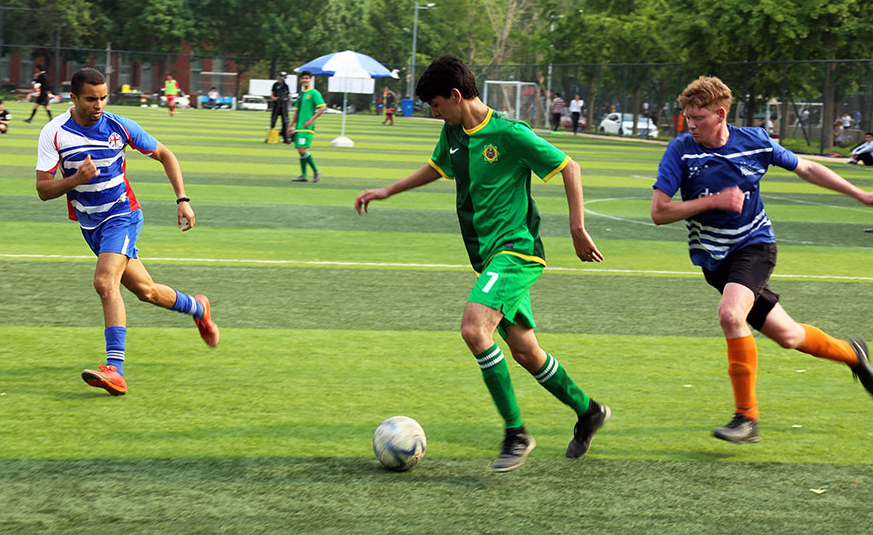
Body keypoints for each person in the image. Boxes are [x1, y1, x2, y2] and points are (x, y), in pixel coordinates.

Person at [354, 54, 610, 472]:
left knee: (474, 327)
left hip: (516, 250)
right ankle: (589, 410)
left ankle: (516, 433)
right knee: (527, 353)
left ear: (456, 96)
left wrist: (577, 229)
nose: (435, 114)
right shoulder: (453, 132)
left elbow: (570, 167)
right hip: (486, 258)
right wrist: (387, 190)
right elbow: (437, 168)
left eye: (436, 106)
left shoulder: (509, 134)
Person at [650, 76, 873, 444]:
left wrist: (858, 193)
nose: (691, 124)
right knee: (789, 335)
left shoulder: (754, 141)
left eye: (699, 117)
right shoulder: (681, 151)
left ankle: (746, 418)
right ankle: (853, 353)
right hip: (714, 261)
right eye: (687, 116)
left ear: (720, 114)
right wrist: (713, 201)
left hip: (754, 246)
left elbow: (807, 168)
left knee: (729, 314)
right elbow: (660, 212)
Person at [34, 67, 219, 396]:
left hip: (123, 215)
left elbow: (165, 154)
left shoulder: (118, 126)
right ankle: (197, 307)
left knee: (104, 282)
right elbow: (43, 190)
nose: (99, 104)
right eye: (91, 99)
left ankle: (115, 370)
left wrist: (182, 199)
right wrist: (76, 179)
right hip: (91, 225)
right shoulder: (54, 133)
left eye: (103, 97)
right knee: (145, 291)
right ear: (73, 98)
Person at [288, 70, 325, 183]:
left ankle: (316, 171)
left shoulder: (314, 93)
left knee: (302, 150)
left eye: (307, 78)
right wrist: (290, 126)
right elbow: (296, 112)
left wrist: (311, 120)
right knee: (300, 150)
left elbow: (323, 108)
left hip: (306, 127)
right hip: (299, 127)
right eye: (303, 78)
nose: (304, 80)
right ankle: (303, 175)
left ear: (311, 80)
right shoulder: (301, 94)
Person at [270, 71, 291, 142]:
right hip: (276, 104)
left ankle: (285, 138)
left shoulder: (286, 86)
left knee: (285, 121)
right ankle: (271, 137)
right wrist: (275, 98)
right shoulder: (275, 84)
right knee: (273, 119)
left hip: (284, 105)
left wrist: (287, 99)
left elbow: (288, 95)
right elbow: (272, 95)